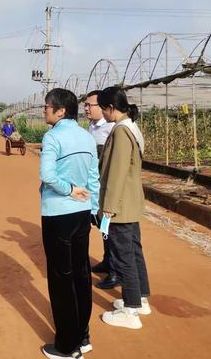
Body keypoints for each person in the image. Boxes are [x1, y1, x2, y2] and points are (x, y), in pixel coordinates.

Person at [40, 88, 100, 359]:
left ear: (61, 110)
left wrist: (68, 189)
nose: (45, 110)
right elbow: (94, 178)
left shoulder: (53, 137)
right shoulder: (87, 137)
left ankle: (67, 346)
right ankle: (82, 334)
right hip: (82, 214)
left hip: (58, 214)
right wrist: (93, 208)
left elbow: (48, 176)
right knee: (80, 273)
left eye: (47, 106)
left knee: (61, 278)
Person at [97, 86, 151, 329]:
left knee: (123, 255)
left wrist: (108, 207)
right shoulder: (131, 127)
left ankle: (131, 311)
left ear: (110, 108)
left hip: (119, 204)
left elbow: (116, 172)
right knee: (134, 250)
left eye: (101, 108)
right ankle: (140, 299)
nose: (101, 113)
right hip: (130, 201)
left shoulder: (120, 131)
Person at [84, 90, 118, 290]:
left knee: (111, 229)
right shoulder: (92, 127)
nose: (87, 108)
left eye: (91, 105)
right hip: (95, 188)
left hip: (107, 187)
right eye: (86, 105)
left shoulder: (111, 128)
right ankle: (107, 261)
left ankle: (115, 271)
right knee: (102, 228)